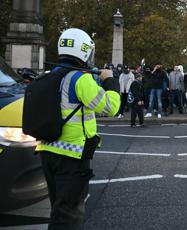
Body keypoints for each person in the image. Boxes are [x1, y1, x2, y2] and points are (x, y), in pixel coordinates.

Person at [36, 28, 121, 229]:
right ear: (83, 51)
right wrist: (110, 81)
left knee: (58, 207)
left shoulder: (49, 76)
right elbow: (110, 107)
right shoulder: (79, 78)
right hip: (72, 155)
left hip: (47, 151)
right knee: (69, 214)